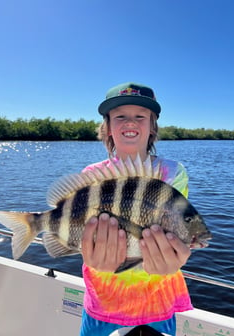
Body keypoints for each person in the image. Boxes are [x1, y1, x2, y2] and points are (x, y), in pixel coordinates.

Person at [80, 82, 193, 336]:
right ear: (107, 127)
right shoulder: (91, 175)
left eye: (140, 117)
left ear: (152, 126)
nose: (130, 122)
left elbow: (178, 230)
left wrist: (177, 257)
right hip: (101, 302)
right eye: (120, 116)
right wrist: (90, 254)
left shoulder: (174, 173)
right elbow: (83, 233)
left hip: (157, 304)